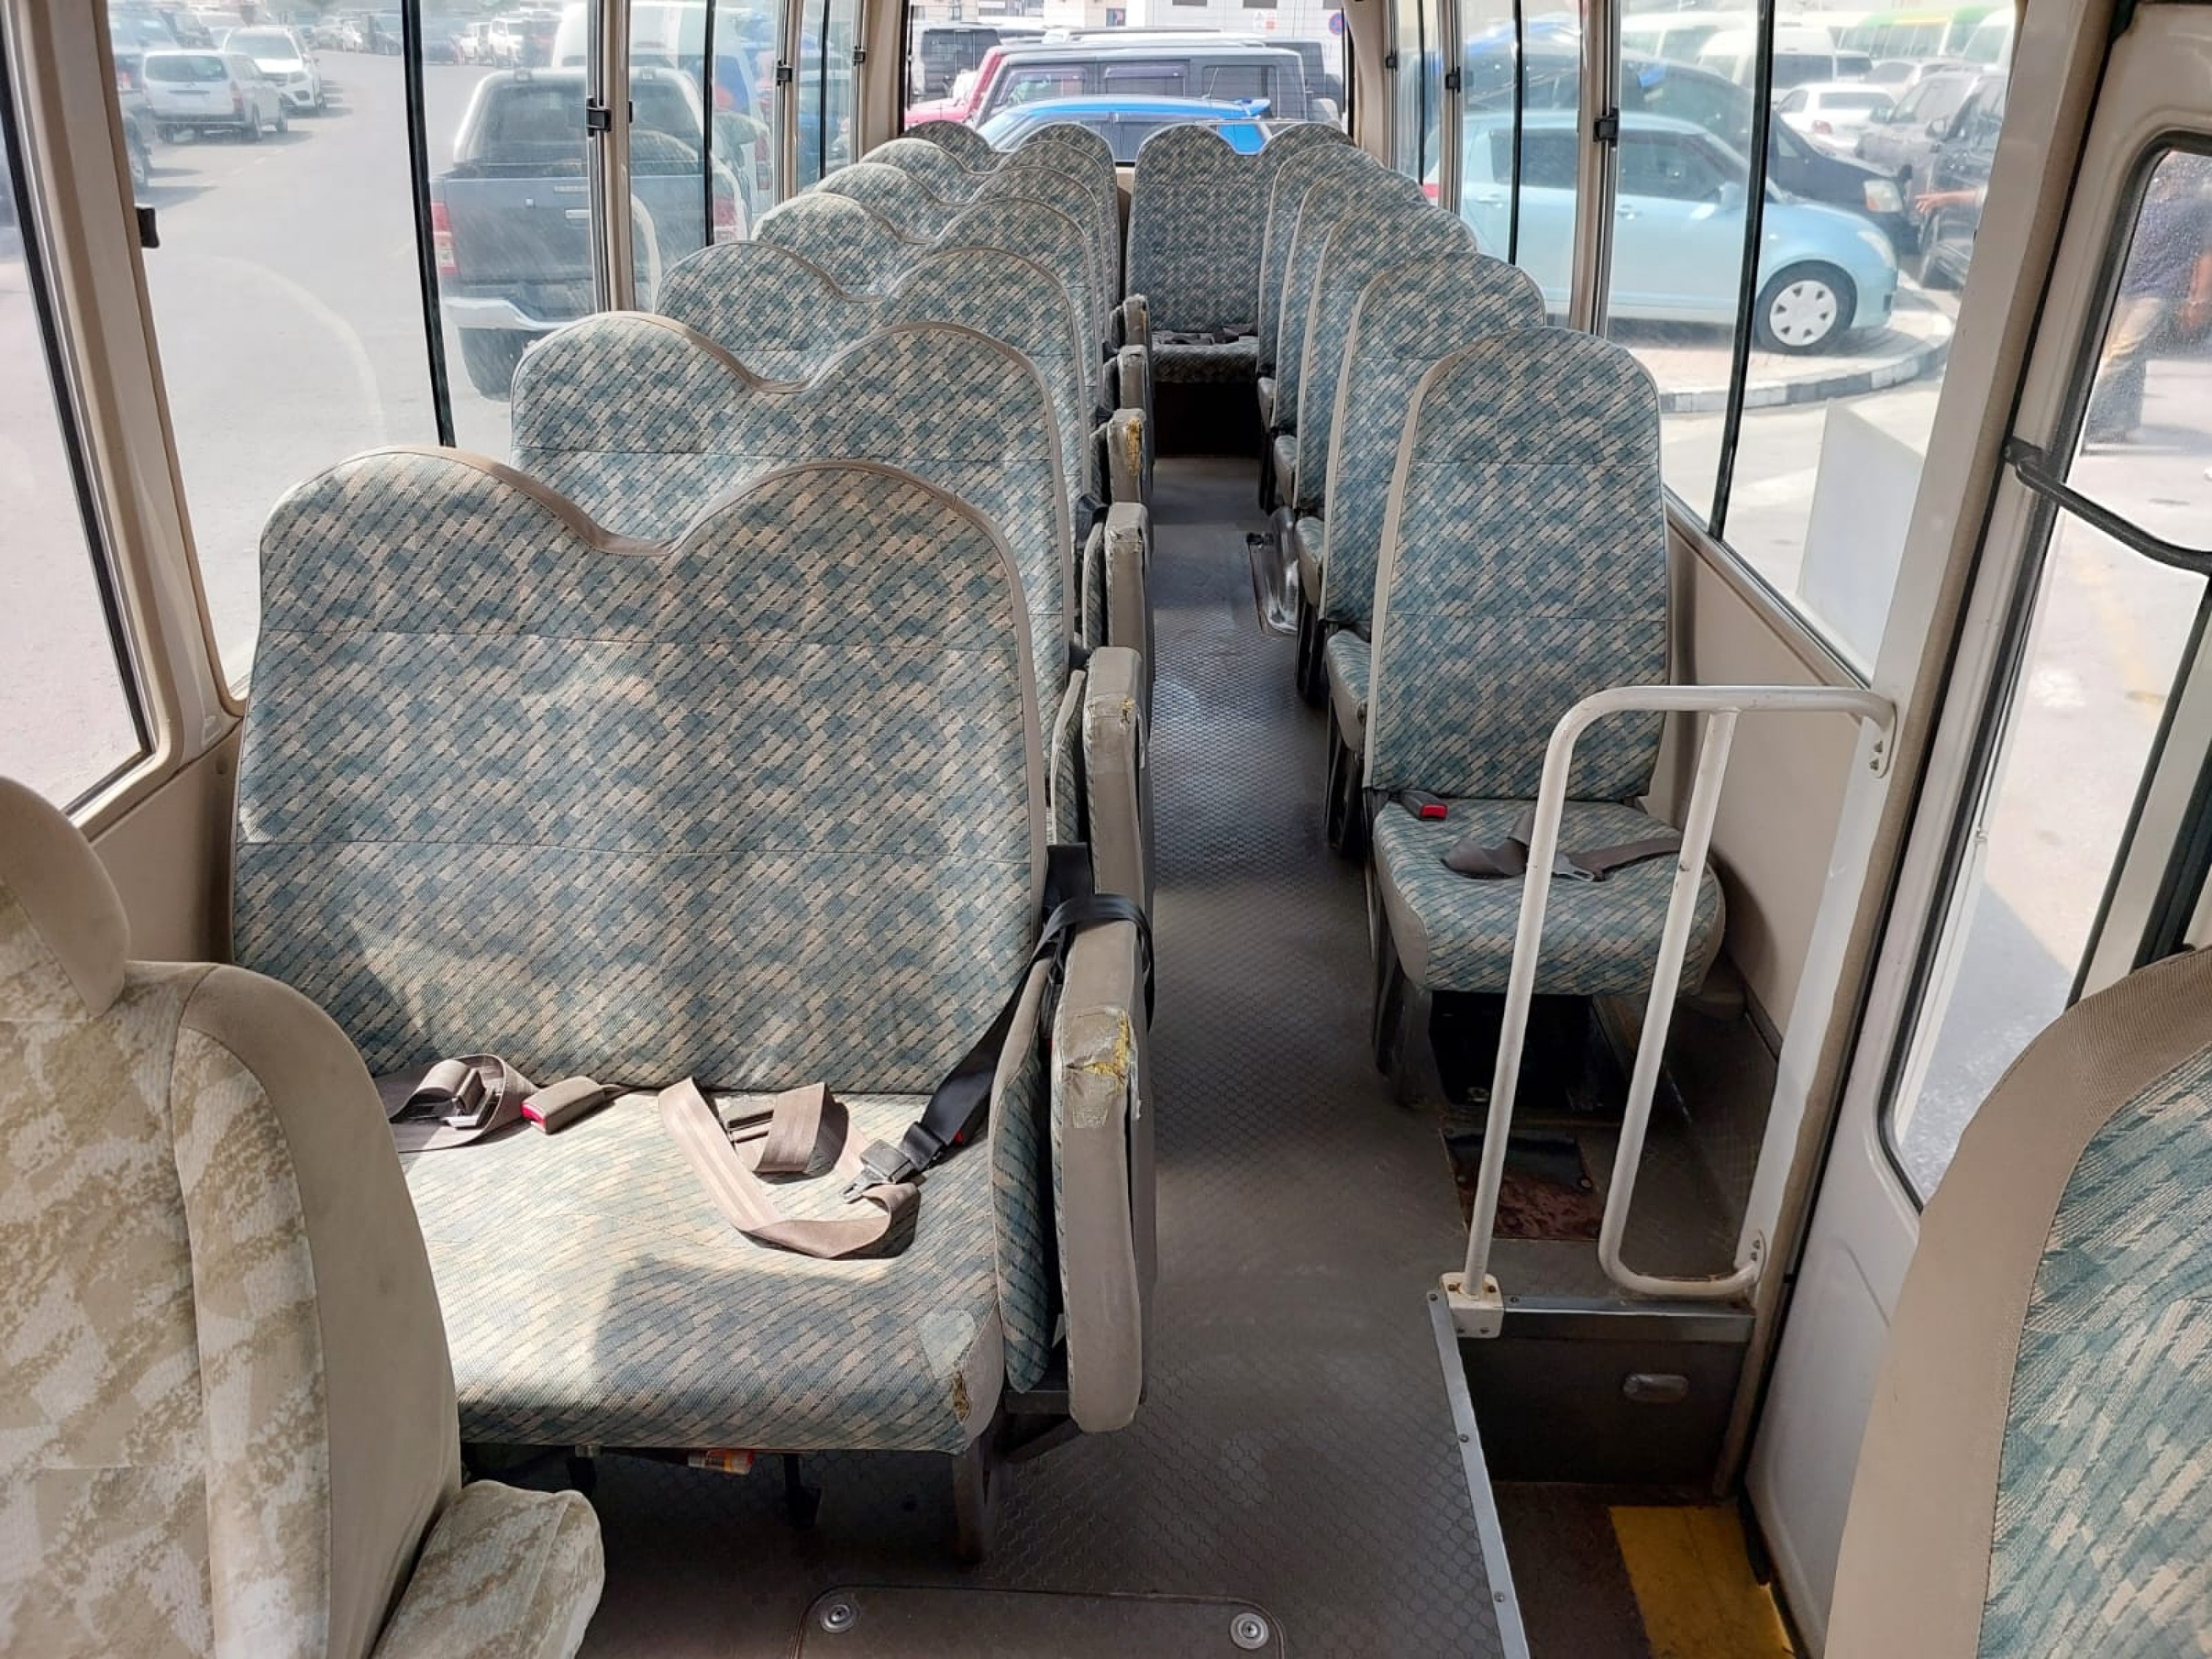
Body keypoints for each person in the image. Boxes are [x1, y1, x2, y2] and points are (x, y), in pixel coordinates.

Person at [2084, 154, 2212, 442]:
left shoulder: (2199, 207)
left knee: (2122, 354)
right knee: (2125, 354)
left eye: (2176, 167)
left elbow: (2207, 254)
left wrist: (2199, 300)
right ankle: (2121, 421)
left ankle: (2085, 419)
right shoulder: (2149, 195)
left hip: (2161, 291)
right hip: (2127, 285)